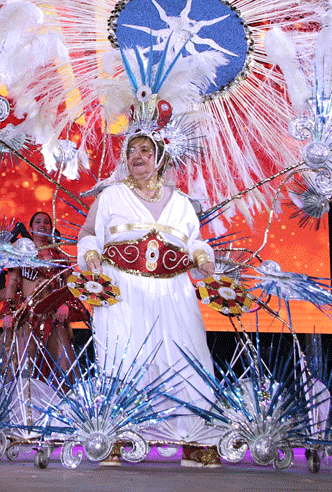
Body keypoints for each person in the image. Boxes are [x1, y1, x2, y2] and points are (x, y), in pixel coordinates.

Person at [76, 134, 219, 467]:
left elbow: (195, 241)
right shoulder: (111, 195)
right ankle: (114, 436)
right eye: (131, 151)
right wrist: (91, 253)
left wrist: (203, 259)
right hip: (124, 289)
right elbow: (88, 233)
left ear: (160, 158)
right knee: (123, 357)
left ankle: (195, 440)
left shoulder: (181, 202)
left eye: (145, 150)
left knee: (186, 356)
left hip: (173, 291)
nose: (136, 156)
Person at [0, 212, 86, 379]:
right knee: (24, 369)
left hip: (53, 318)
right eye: (38, 222)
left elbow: (71, 284)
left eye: (46, 222)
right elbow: (11, 285)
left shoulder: (60, 257)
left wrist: (65, 305)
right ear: (31, 228)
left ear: (51, 227)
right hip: (28, 317)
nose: (42, 225)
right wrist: (9, 313)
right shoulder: (21, 254)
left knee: (66, 368)